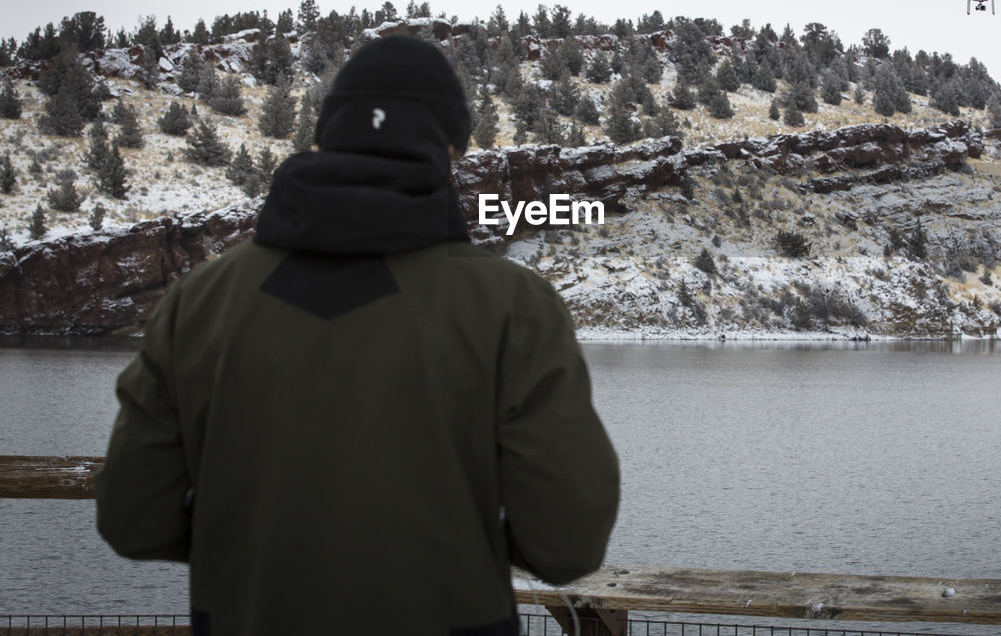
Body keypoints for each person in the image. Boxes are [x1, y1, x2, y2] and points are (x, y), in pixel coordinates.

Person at [96, 34, 620, 635]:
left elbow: (134, 519)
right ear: (450, 150)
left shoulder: (200, 299)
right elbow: (568, 541)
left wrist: (257, 545)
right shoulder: (513, 306)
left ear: (322, 140)